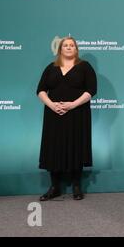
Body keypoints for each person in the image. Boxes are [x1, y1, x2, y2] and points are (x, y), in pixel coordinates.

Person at [37, 36, 97, 201]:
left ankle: (77, 186)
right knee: (53, 147)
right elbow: (41, 90)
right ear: (60, 49)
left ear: (76, 49)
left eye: (72, 45)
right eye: (65, 45)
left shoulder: (85, 67)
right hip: (54, 114)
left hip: (77, 114)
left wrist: (72, 104)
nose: (69, 48)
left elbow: (91, 90)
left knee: (75, 146)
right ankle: (55, 187)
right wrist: (52, 105)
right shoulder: (51, 68)